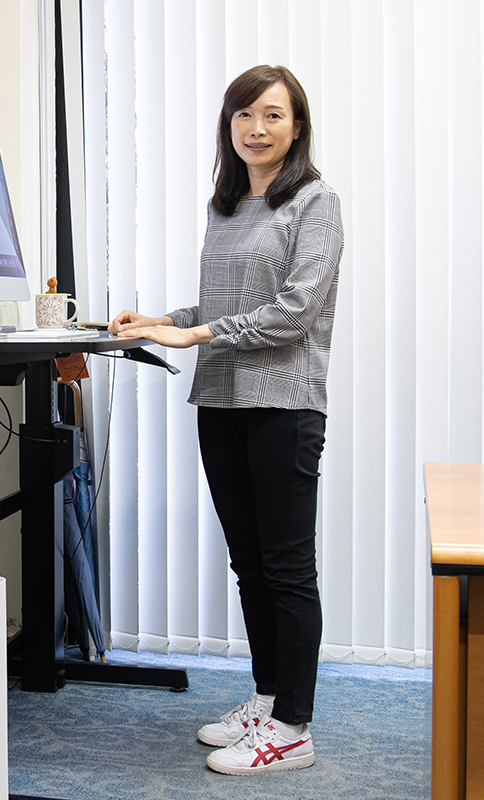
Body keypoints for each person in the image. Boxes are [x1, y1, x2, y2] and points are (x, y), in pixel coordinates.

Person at [110, 64, 343, 776]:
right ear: (229, 125)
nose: (257, 128)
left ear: (296, 126)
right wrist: (162, 322)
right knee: (250, 564)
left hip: (283, 403)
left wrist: (200, 336)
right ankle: (268, 698)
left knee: (286, 568)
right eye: (245, 115)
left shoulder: (316, 203)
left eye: (273, 115)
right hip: (222, 401)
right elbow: (218, 309)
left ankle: (294, 730)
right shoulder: (226, 204)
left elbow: (295, 310)